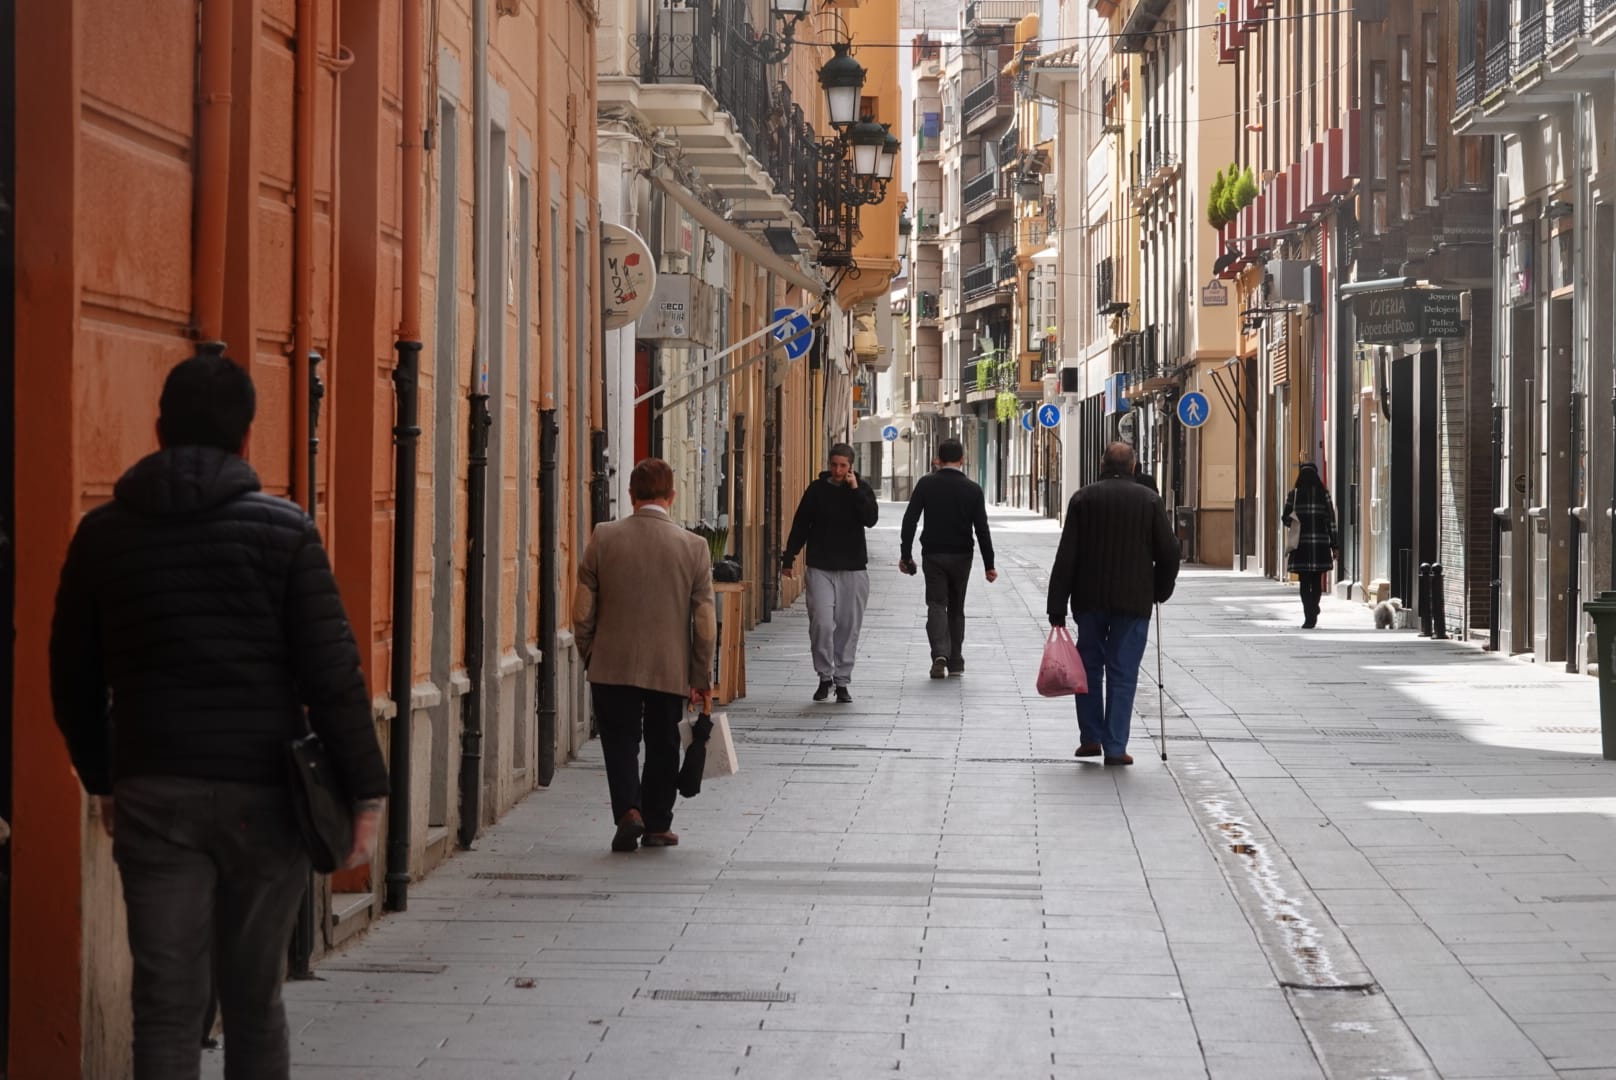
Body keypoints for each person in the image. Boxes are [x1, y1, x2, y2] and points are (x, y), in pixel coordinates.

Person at [49, 351, 389, 1080]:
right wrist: (365, 789)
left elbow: (70, 674)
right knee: (253, 1000)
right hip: (265, 797)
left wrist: (104, 776)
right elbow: (333, 673)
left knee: (166, 1005)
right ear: (246, 438)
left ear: (158, 430)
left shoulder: (103, 535)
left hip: (154, 791)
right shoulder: (285, 532)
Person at [574, 457, 716, 852]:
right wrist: (700, 675)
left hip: (610, 663)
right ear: (672, 496)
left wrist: (590, 652)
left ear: (632, 495)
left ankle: (628, 813)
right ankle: (656, 823)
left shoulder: (604, 537)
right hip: (668, 666)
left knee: (619, 742)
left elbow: (582, 608)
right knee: (663, 743)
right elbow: (704, 621)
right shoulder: (694, 547)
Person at [1046, 442, 1180, 766]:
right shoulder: (1150, 500)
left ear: (1101, 464)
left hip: (1089, 599)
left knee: (1089, 668)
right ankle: (1116, 747)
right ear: (1134, 467)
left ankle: (1091, 738)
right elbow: (1170, 551)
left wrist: (1056, 605)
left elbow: (1067, 555)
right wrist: (1160, 589)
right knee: (1123, 672)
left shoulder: (1082, 499)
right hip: (1133, 601)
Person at [781, 443, 879, 702]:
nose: (837, 470)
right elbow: (801, 523)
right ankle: (824, 676)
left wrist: (855, 489)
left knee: (848, 627)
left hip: (853, 569)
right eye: (834, 465)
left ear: (851, 467)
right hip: (820, 566)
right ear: (828, 464)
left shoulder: (862, 489)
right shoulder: (816, 490)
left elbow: (870, 519)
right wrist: (789, 557)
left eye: (843, 466)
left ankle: (842, 681)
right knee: (822, 623)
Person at [899, 438, 997, 679]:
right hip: (962, 555)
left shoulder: (926, 484)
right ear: (962, 460)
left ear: (939, 460)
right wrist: (989, 564)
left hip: (933, 554)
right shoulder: (973, 489)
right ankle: (956, 660)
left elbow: (910, 519)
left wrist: (906, 554)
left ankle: (939, 653)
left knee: (936, 604)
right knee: (956, 607)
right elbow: (982, 529)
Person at [1282, 462, 1339, 629]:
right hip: (1320, 545)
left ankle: (1309, 616)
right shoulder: (1324, 495)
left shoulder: (1294, 494)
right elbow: (1331, 522)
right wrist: (1335, 545)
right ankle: (1313, 608)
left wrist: (1295, 520)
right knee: (1316, 581)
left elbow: (1285, 518)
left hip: (1301, 546)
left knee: (1304, 582)